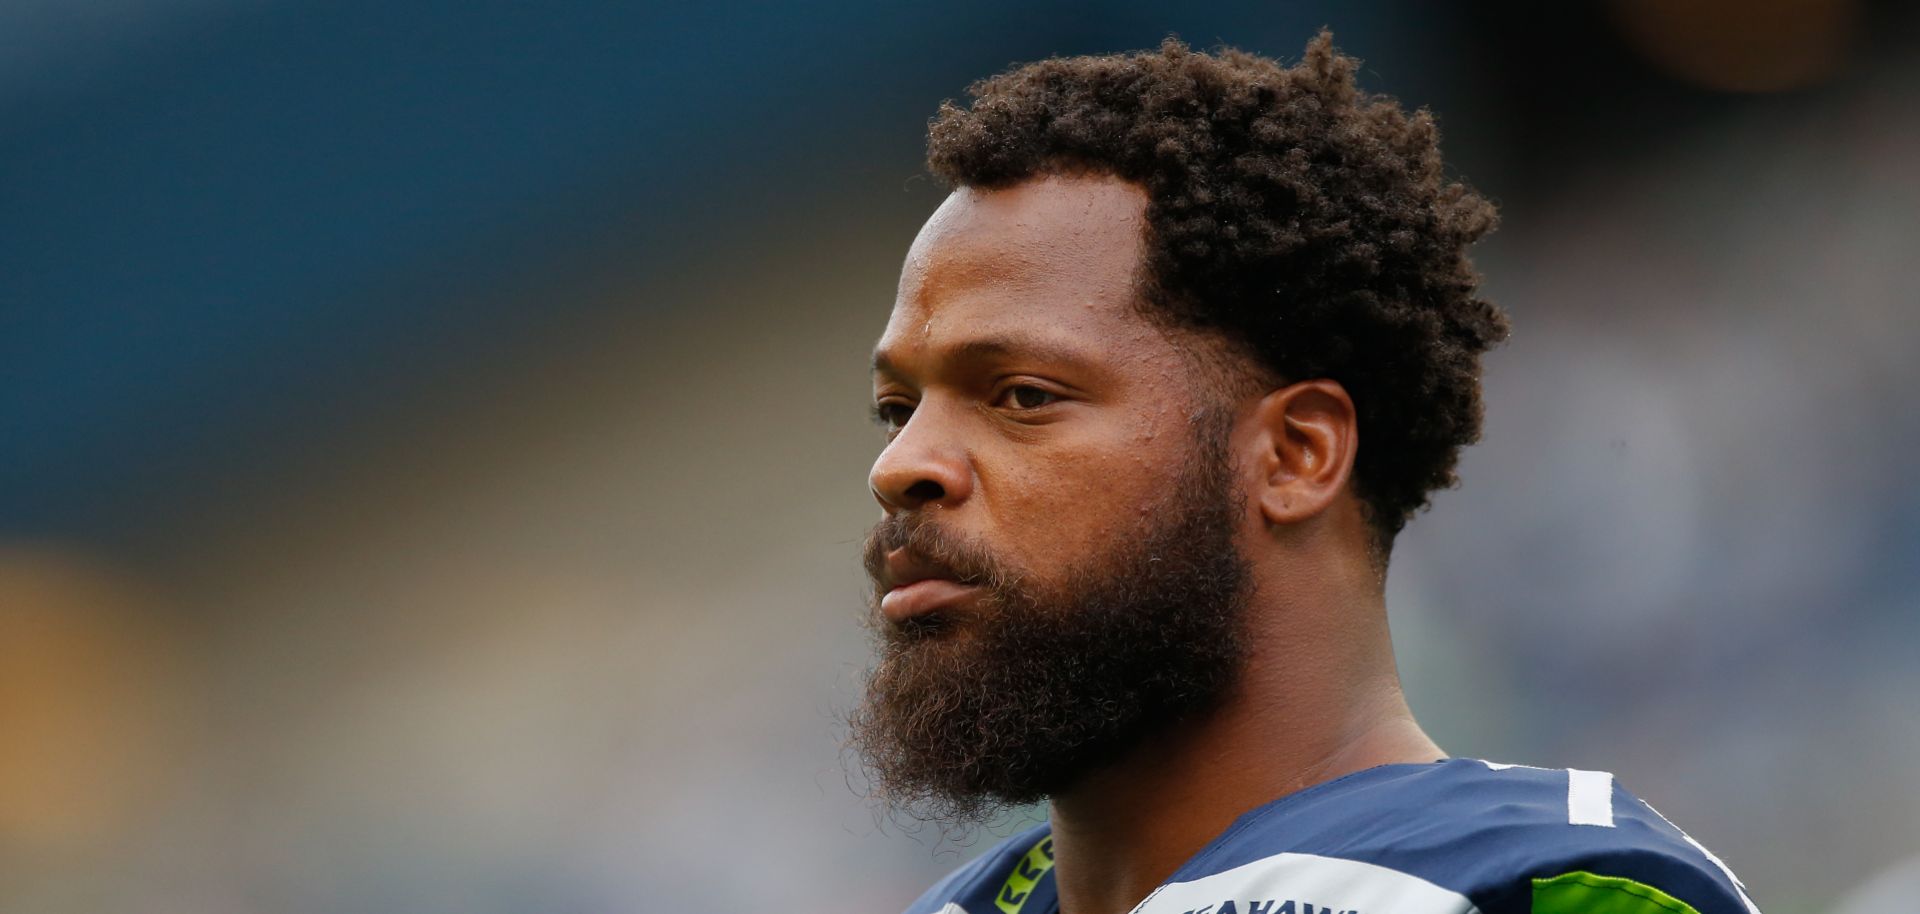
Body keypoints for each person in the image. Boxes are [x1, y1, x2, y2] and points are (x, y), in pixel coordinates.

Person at [849, 32, 1762, 914]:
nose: (901, 466)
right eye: (899, 410)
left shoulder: (1535, 889)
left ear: (1296, 456)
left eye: (1021, 396)